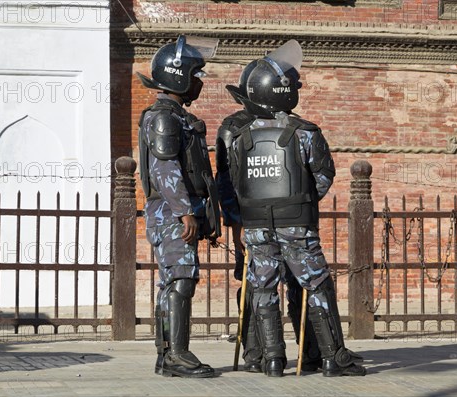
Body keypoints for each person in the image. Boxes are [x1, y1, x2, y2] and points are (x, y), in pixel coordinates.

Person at [226, 40, 367, 377]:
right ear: (284, 93)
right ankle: (334, 357)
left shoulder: (239, 137)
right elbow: (323, 175)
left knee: (262, 287)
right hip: (296, 224)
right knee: (317, 285)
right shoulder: (304, 133)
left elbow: (235, 184)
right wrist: (300, 202)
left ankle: (273, 360)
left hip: (257, 226)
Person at [215, 60, 322, 374]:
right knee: (255, 284)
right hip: (251, 221)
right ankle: (257, 353)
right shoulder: (233, 128)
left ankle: (310, 352)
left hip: (284, 220)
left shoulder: (291, 125)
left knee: (298, 283)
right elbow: (226, 180)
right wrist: (237, 222)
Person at [136, 35, 221, 378]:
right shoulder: (163, 118)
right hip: (171, 214)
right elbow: (164, 167)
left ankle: (167, 354)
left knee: (173, 282)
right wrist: (185, 210)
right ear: (178, 76)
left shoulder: (176, 116)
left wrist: (206, 217)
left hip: (177, 212)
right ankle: (177, 354)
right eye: (195, 74)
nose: (199, 82)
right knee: (181, 281)